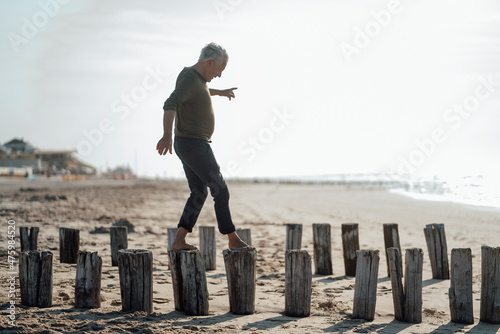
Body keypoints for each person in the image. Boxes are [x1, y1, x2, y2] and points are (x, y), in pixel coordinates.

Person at [156, 42, 254, 252]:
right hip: (193, 144)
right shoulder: (191, 78)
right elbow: (170, 103)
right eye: (219, 69)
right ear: (209, 62)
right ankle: (232, 239)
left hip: (189, 143)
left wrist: (219, 92)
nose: (219, 74)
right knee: (220, 189)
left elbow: (200, 91)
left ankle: (179, 240)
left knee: (198, 192)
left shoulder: (193, 78)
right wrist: (165, 136)